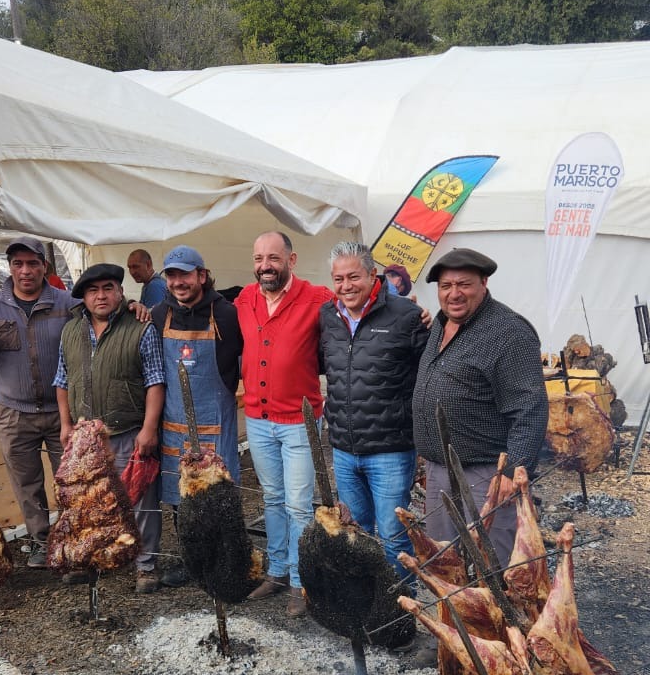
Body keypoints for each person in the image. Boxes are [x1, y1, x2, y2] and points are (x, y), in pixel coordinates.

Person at [412, 247, 548, 569]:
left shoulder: (508, 332)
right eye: (446, 286)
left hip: (487, 473)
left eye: (464, 285)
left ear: (484, 283)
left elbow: (530, 408)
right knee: (446, 563)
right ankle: (454, 618)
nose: (454, 294)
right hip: (441, 470)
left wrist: (511, 471)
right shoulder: (441, 324)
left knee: (495, 568)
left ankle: (501, 619)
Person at [0, 238, 76, 567]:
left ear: (44, 267)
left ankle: (73, 539)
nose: (25, 271)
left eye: (32, 263)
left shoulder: (67, 304)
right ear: (10, 268)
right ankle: (42, 541)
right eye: (18, 264)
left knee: (70, 478)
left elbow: (101, 315)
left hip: (61, 411)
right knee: (27, 483)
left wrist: (133, 308)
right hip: (15, 411)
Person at [235, 231, 332, 618]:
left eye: (273, 258)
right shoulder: (244, 298)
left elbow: (362, 302)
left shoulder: (317, 297)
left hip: (299, 421)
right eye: (259, 258)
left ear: (291, 260)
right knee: (272, 499)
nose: (265, 266)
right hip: (258, 418)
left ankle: (300, 579)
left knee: (298, 504)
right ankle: (276, 571)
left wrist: (408, 307)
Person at [54, 263, 165, 593]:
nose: (100, 296)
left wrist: (149, 429)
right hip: (85, 437)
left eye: (107, 288)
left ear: (120, 292)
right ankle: (92, 560)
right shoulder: (70, 331)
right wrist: (64, 425)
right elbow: (61, 381)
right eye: (93, 291)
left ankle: (147, 566)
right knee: (87, 503)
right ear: (84, 298)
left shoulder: (141, 328)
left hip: (128, 430)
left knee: (141, 501)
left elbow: (155, 382)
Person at [320, 242, 430, 575]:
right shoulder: (328, 315)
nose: (346, 286)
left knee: (395, 535)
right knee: (357, 533)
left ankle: (401, 611)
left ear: (372, 275)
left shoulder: (407, 316)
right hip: (344, 449)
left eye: (353, 276)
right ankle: (369, 606)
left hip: (391, 450)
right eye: (338, 279)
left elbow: (430, 371)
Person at [151, 245, 243, 587]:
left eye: (185, 274)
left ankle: (223, 559)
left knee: (219, 496)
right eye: (172, 275)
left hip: (216, 425)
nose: (179, 282)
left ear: (201, 276)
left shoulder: (228, 315)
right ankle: (191, 560)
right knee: (181, 499)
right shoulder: (159, 314)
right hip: (174, 427)